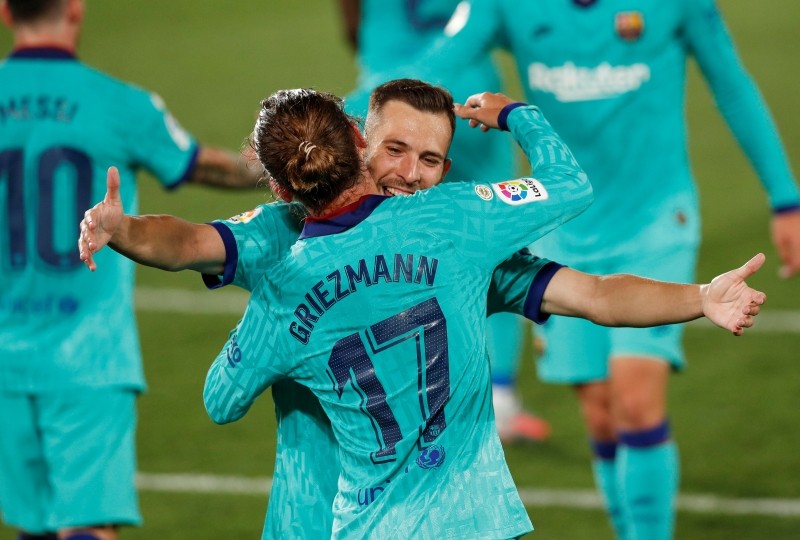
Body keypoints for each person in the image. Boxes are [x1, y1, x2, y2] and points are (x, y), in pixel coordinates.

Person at [80, 80, 766, 538]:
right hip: (324, 514)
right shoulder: (440, 227)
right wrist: (129, 230)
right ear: (356, 139)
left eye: (432, 159)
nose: (411, 173)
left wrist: (700, 297)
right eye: (397, 150)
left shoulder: (442, 242)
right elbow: (189, 241)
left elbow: (593, 293)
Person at [351, 2, 800, 538]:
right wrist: (323, 128)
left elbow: (731, 84)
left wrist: (785, 199)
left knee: (636, 400)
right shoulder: (505, 5)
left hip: (655, 219)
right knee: (602, 415)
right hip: (564, 227)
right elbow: (436, 62)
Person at [0, 1, 262, 539]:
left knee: (32, 526)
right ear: (75, 7)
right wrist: (300, 168)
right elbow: (211, 167)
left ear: (6, 12)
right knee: (88, 525)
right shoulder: (120, 105)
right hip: (88, 356)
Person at [337, 0, 547, 444]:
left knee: (386, 248)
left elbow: (351, 19)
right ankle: (501, 398)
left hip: (388, 109)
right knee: (500, 242)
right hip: (470, 104)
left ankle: (394, 397)